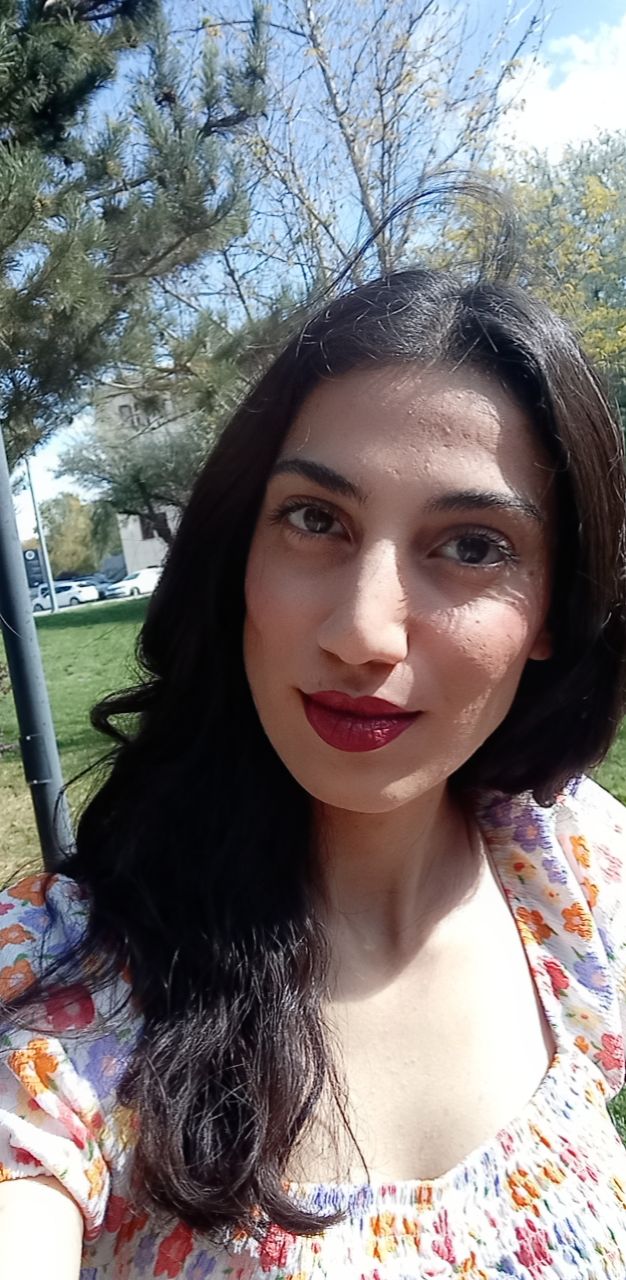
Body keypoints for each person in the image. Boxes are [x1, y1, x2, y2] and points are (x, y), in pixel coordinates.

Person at [1, 229, 626, 1279]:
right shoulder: (70, 979)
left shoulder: (571, 868)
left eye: (472, 545)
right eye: (313, 518)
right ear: (237, 551)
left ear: (551, 611)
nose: (363, 631)